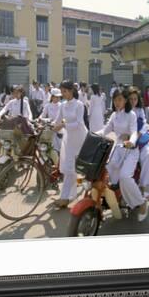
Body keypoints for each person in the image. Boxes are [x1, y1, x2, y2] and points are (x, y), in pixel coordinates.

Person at [94, 89, 149, 221]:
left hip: (130, 150)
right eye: (115, 99)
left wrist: (131, 141)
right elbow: (106, 129)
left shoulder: (131, 115)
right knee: (108, 168)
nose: (117, 102)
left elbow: (134, 131)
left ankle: (142, 203)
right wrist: (93, 134)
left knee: (125, 176)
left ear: (125, 100)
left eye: (120, 99)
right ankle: (117, 197)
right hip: (118, 148)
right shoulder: (114, 115)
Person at [52, 80, 88, 208]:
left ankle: (83, 191)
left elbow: (79, 123)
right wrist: (48, 125)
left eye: (65, 91)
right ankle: (65, 197)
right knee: (68, 169)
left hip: (80, 139)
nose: (63, 94)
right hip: (69, 140)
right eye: (61, 92)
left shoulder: (79, 105)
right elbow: (56, 121)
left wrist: (63, 125)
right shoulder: (62, 105)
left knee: (81, 168)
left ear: (71, 90)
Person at [128, 87, 149, 207]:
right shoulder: (123, 110)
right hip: (128, 143)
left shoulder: (140, 110)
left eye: (135, 99)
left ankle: (147, 190)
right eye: (130, 99)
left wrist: (139, 133)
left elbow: (144, 124)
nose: (133, 101)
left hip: (141, 142)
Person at [40, 87, 63, 152]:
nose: (58, 98)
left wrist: (61, 123)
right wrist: (39, 119)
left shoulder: (62, 106)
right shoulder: (48, 106)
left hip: (60, 128)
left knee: (60, 147)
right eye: (56, 97)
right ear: (52, 97)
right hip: (50, 128)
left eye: (59, 97)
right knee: (49, 147)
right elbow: (43, 115)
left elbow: (64, 118)